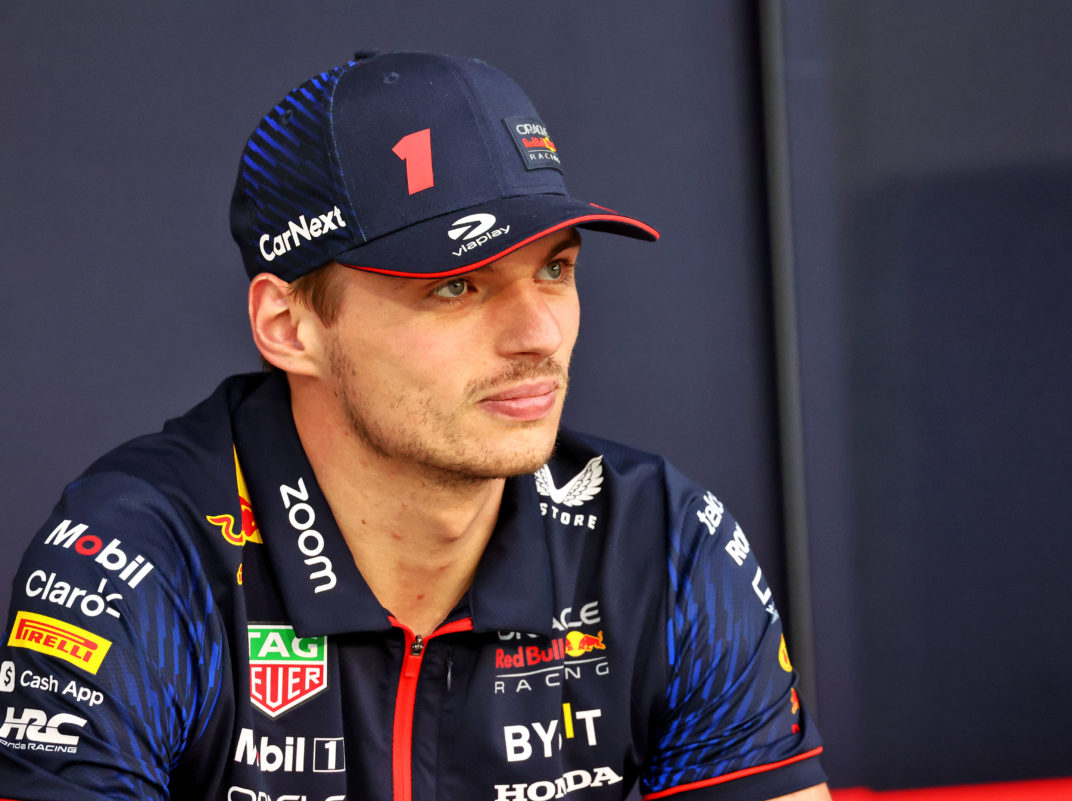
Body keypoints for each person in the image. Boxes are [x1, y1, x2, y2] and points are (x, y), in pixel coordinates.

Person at [0, 51, 829, 801]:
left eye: (555, 268)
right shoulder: (137, 558)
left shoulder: (659, 541)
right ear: (290, 326)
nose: (539, 334)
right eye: (456, 286)